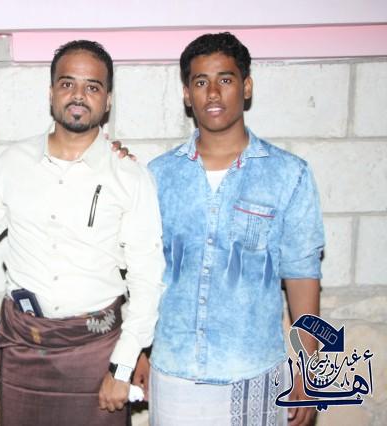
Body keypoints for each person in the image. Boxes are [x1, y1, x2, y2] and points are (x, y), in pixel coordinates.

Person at [0, 40, 165, 425]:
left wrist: (122, 367)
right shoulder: (11, 163)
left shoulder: (130, 177)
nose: (79, 95)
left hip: (97, 351)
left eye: (92, 87)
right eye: (68, 83)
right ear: (51, 92)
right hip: (24, 346)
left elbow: (147, 280)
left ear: (108, 100)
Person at [145, 32, 324, 426]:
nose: (213, 93)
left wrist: (308, 368)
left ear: (246, 87)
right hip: (174, 372)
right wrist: (139, 352)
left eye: (225, 79)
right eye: (200, 82)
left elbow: (302, 275)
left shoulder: (288, 174)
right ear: (187, 94)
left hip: (255, 370)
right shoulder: (158, 176)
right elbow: (146, 273)